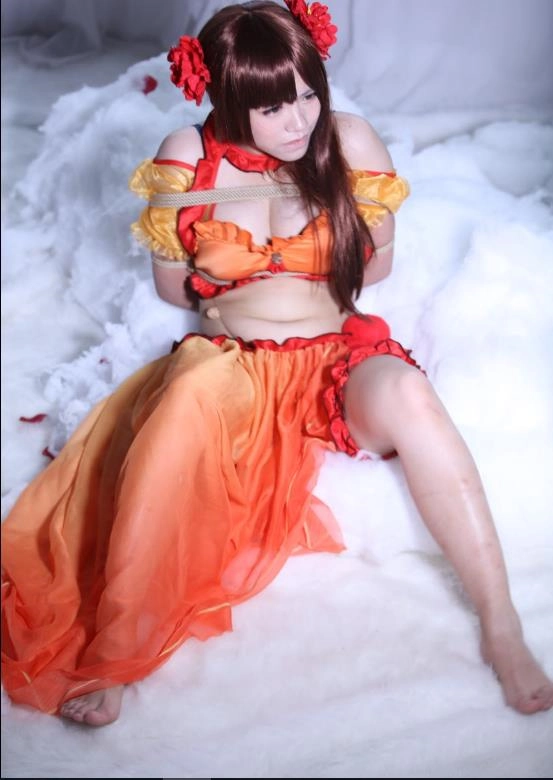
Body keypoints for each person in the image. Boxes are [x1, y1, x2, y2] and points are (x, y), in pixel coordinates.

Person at [2, 0, 552, 728]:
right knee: (182, 404)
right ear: (231, 100)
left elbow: (377, 270)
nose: (298, 120)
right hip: (233, 358)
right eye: (272, 107)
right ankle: (118, 654)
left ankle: (502, 626)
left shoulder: (348, 139)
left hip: (333, 356)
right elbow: (174, 288)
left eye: (306, 95)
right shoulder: (188, 154)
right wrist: (217, 260)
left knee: (410, 395)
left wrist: (315, 240)